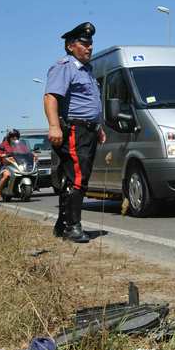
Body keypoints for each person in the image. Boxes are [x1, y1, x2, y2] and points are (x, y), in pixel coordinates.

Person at [43, 22, 106, 243]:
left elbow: (89, 103)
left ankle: (62, 225)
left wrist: (97, 127)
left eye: (91, 44)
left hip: (87, 131)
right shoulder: (64, 67)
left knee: (76, 177)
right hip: (73, 130)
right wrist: (54, 126)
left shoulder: (86, 71)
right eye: (84, 43)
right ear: (71, 46)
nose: (89, 47)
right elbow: (51, 97)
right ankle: (72, 227)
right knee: (77, 178)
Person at [0, 129, 35, 201]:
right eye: (12, 136)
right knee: (6, 175)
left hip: (18, 164)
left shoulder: (21, 145)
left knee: (33, 172)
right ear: (9, 137)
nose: (14, 138)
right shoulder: (3, 144)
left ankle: (33, 187)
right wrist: (1, 155)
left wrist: (33, 155)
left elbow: (27, 152)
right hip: (6, 165)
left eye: (16, 136)